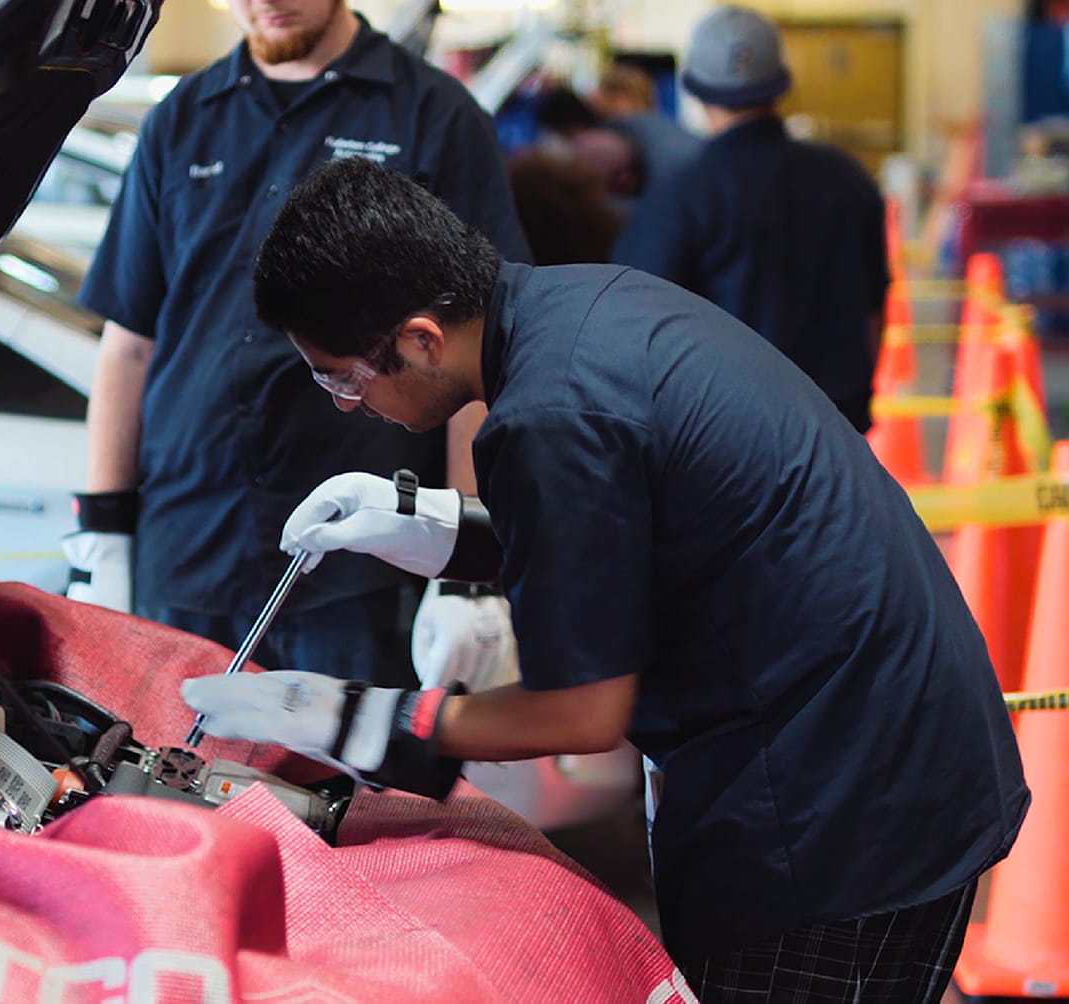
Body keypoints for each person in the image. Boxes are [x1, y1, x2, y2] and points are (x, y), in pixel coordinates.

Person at [183, 155, 1028, 1002]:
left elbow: (579, 712)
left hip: (839, 814)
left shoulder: (548, 418)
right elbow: (616, 538)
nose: (344, 403)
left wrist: (363, 721)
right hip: (896, 755)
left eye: (341, 377)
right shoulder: (583, 305)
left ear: (420, 340)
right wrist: (436, 529)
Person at [64, 0, 528, 689]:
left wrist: (466, 555)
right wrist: (102, 530)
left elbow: (477, 353)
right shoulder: (181, 118)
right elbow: (130, 341)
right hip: (190, 543)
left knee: (349, 760)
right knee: (176, 756)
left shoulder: (433, 115)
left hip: (363, 561)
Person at [613, 5, 888, 433]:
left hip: (730, 442)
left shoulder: (679, 196)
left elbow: (635, 335)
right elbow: (873, 313)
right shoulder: (848, 179)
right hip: (839, 431)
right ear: (780, 83)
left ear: (695, 89)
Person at [586, 63, 701, 196]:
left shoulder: (618, 133)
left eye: (601, 91)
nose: (593, 97)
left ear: (623, 98)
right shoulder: (668, 128)